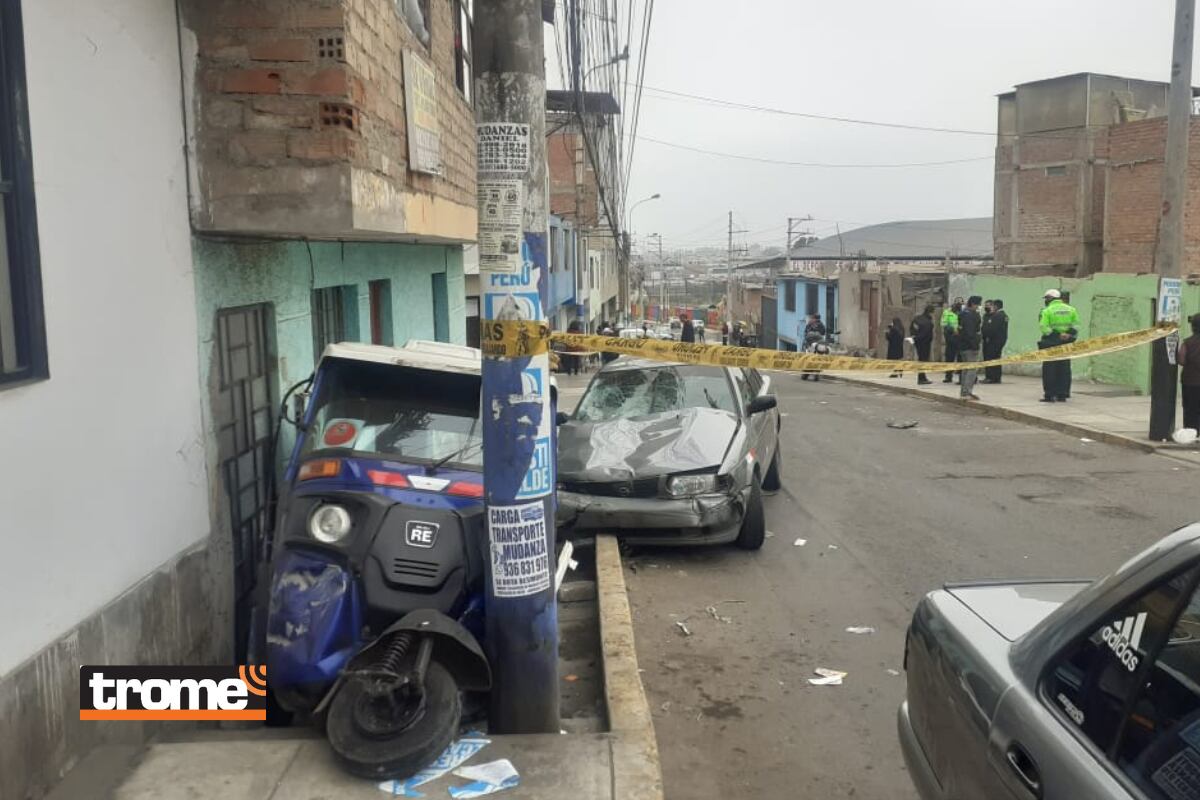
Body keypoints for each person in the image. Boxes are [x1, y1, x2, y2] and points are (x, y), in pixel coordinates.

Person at [1038, 289, 1080, 402]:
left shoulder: (1046, 311)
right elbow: (1076, 326)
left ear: (1050, 298)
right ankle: (1063, 394)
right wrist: (1067, 334)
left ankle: (1050, 395)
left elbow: (1044, 328)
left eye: (1046, 298)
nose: (1045, 300)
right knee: (1064, 368)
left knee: (1049, 369)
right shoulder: (1071, 309)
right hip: (1066, 343)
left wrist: (1058, 334)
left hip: (1051, 342)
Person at [957, 296, 983, 400]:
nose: (978, 307)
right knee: (971, 370)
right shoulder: (970, 315)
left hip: (963, 345)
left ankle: (964, 391)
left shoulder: (962, 313)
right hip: (970, 346)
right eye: (978, 304)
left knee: (966, 369)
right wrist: (975, 345)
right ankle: (966, 392)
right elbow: (970, 332)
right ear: (973, 304)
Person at [1178, 314, 1200, 432]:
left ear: (1193, 327)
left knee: (1190, 409)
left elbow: (1181, 359)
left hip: (1189, 381)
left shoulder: (1187, 342)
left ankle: (1191, 432)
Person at [981, 299, 1009, 384]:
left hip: (993, 341)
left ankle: (990, 377)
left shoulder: (998, 316)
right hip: (999, 340)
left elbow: (992, 329)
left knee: (990, 358)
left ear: (996, 306)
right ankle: (996, 377)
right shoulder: (1004, 315)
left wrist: (986, 335)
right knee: (996, 358)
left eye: (992, 305)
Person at [909, 304, 935, 385]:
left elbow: (912, 328)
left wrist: (914, 338)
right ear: (930, 312)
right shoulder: (928, 322)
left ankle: (922, 377)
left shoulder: (917, 319)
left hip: (918, 343)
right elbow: (925, 334)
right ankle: (921, 378)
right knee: (923, 360)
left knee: (921, 360)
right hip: (925, 343)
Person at [941, 299, 962, 384]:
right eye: (957, 303)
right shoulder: (947, 312)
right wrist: (953, 329)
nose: (958, 305)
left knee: (961, 358)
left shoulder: (963, 312)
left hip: (960, 338)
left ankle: (961, 377)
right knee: (949, 358)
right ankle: (948, 376)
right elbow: (943, 324)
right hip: (950, 338)